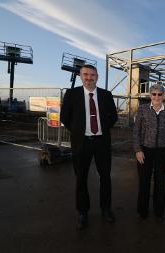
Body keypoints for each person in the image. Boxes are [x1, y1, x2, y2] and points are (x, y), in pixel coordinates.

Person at [60, 65, 118, 230]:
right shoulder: (72, 94)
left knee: (105, 177)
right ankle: (83, 212)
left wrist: (103, 128)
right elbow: (65, 117)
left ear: (97, 77)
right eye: (85, 74)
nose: (89, 77)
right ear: (80, 76)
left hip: (102, 143)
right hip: (81, 143)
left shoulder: (106, 95)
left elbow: (113, 116)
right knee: (81, 179)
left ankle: (106, 209)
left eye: (92, 75)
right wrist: (78, 131)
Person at [133, 83, 165, 220]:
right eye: (154, 94)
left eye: (160, 94)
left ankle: (159, 211)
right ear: (150, 95)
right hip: (145, 150)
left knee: (160, 180)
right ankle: (142, 210)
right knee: (144, 180)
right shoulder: (143, 109)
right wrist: (138, 150)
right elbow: (136, 131)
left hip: (162, 151)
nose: (157, 96)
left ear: (163, 96)